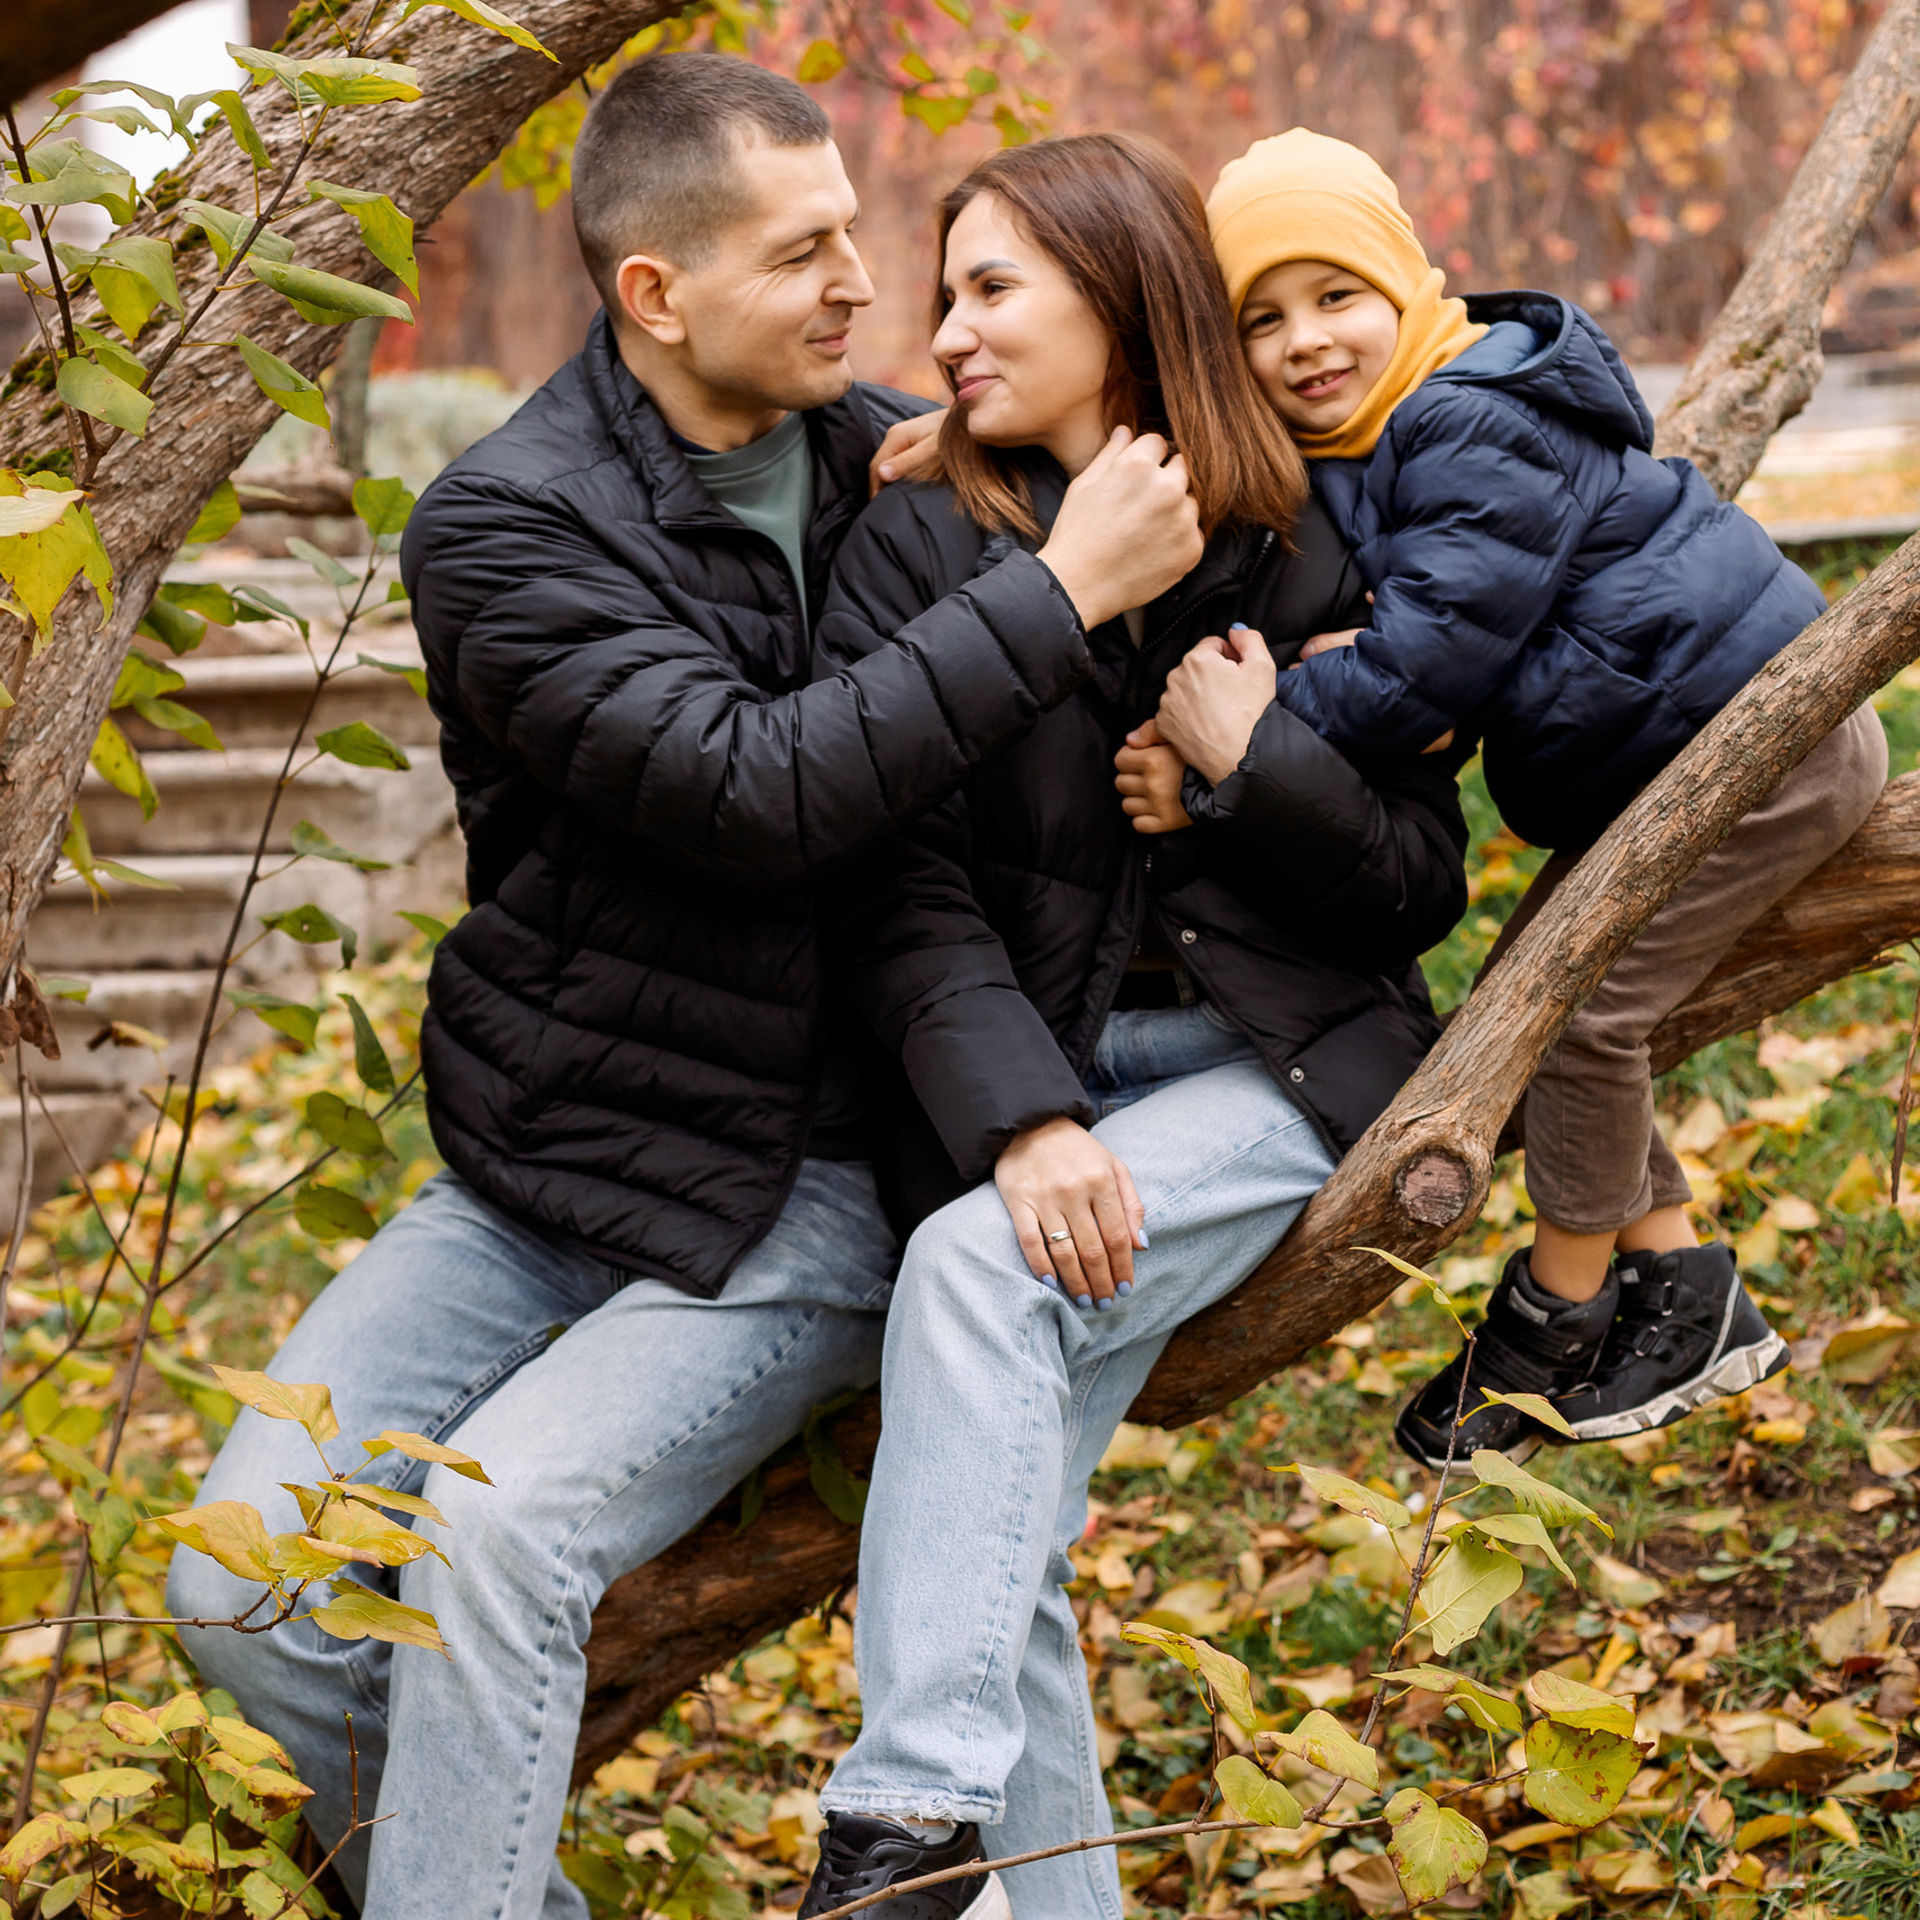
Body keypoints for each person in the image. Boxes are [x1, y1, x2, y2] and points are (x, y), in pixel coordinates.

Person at [164, 56, 1208, 1920]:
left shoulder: (905, 461)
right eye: (802, 254)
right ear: (655, 293)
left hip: (812, 1173)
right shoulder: (507, 527)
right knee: (240, 1589)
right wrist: (1046, 596)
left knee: (490, 1540)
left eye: (851, 239)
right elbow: (751, 790)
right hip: (549, 1156)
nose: (860, 289)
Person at [795, 132, 1469, 1920]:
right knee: (989, 1539)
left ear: (1121, 295)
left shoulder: (1302, 533)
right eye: (944, 293)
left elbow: (1415, 885)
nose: (944, 330)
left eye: (992, 289)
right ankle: (966, 1869)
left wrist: (1259, 775)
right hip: (1050, 1083)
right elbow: (895, 889)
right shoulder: (919, 537)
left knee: (970, 1284)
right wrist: (1025, 1118)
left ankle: (902, 1834)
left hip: (1275, 1073)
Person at [1176, 127, 1888, 1467]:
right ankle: (1683, 1281)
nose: (1304, 340)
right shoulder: (1379, 435)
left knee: (1580, 1017)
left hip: (1766, 746)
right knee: (1527, 995)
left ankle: (1561, 1307)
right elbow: (1421, 657)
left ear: (1405, 280)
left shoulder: (1464, 417)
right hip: (1668, 755)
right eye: (1260, 320)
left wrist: (1261, 721)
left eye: (1335, 295)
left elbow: (1422, 667)